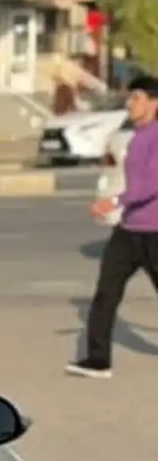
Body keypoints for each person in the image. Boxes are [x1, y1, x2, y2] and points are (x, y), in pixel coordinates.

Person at [68, 72, 158, 378]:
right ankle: (97, 360)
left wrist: (114, 202)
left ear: (154, 103)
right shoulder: (135, 139)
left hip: (155, 232)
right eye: (129, 98)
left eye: (137, 98)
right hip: (128, 231)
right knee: (106, 293)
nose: (130, 104)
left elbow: (151, 186)